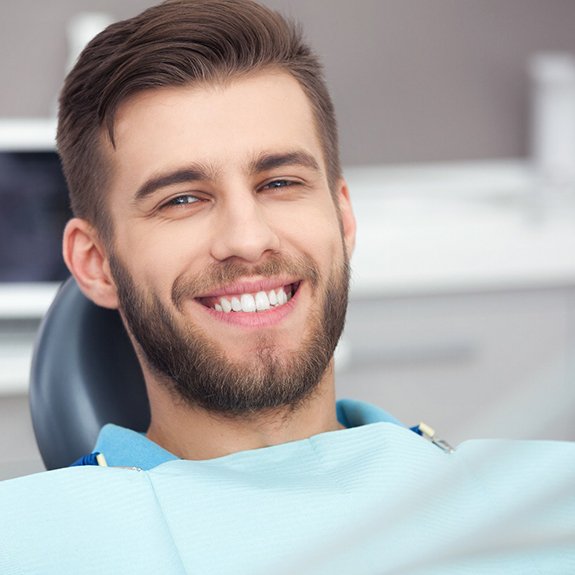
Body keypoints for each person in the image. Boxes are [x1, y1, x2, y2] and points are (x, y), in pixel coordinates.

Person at [1, 1, 574, 573]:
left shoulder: (547, 503)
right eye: (182, 198)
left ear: (342, 217)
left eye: (279, 182)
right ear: (96, 262)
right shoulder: (26, 540)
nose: (248, 240)